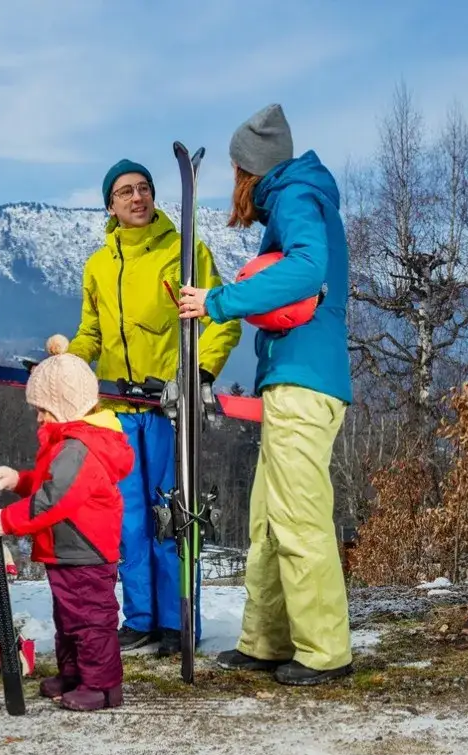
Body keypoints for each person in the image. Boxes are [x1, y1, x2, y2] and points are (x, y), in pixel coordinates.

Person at [177, 103, 354, 686]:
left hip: (307, 384)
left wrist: (219, 302)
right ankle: (267, 640)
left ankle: (325, 652)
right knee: (268, 521)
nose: (233, 184)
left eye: (234, 172)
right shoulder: (291, 201)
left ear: (250, 170)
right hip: (289, 385)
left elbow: (307, 270)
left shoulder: (299, 197)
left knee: (299, 519)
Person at [47, 158, 241, 657]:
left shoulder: (184, 252)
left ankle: (180, 622)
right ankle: (141, 619)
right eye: (125, 191)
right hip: (114, 410)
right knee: (127, 518)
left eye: (144, 189)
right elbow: (92, 332)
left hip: (165, 409)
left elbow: (221, 320)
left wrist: (197, 375)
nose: (137, 198)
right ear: (110, 204)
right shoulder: (98, 264)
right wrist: (70, 358)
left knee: (170, 514)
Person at [0, 354, 134, 711]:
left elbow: (53, 501)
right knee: (68, 619)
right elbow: (52, 486)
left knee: (90, 621)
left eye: (44, 410)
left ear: (65, 405)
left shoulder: (78, 449)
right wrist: (20, 480)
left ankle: (102, 686)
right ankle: (75, 674)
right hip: (66, 548)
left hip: (84, 549)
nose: (38, 417)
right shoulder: (67, 445)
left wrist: (7, 521)